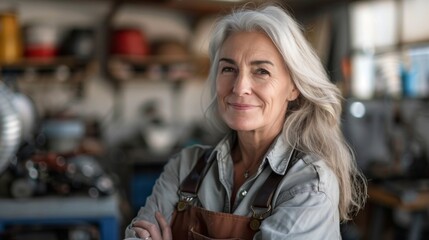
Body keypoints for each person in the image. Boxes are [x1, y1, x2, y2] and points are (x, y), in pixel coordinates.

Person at [124, 4, 367, 240]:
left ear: (294, 87)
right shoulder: (185, 167)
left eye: (261, 71)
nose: (239, 88)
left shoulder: (308, 183)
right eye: (228, 69)